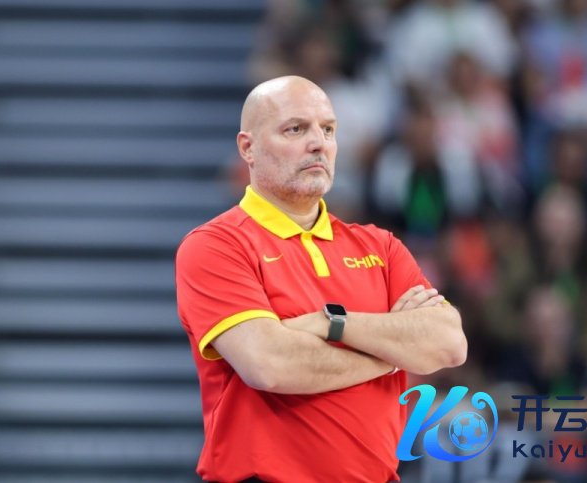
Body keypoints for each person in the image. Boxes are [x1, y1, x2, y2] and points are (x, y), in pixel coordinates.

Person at [175, 76, 467, 482]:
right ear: (248, 148)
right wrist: (393, 354)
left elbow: (449, 344)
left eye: (328, 129)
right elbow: (271, 365)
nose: (318, 143)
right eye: (295, 129)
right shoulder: (216, 245)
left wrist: (331, 323)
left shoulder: (380, 246)